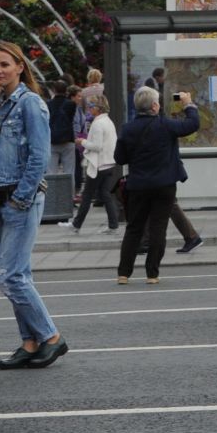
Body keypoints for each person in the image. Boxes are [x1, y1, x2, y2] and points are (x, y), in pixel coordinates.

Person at [0, 42, 66, 369]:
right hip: (4, 195)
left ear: (20, 66)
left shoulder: (30, 103)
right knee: (20, 274)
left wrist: (22, 196)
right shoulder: (2, 103)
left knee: (9, 276)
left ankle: (50, 337)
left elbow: (39, 156)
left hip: (21, 197)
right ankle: (29, 342)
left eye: (5, 64)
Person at [115, 84, 199, 284]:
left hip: (138, 186)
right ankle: (152, 274)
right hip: (164, 185)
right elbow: (192, 124)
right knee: (158, 228)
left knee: (134, 228)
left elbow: (119, 158)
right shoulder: (166, 125)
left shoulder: (128, 129)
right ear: (154, 106)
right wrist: (188, 105)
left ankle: (124, 273)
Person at [72, 97, 122, 233]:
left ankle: (76, 224)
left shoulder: (98, 124)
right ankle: (113, 225)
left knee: (87, 195)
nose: (89, 108)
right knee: (105, 194)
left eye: (91, 106)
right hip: (109, 163)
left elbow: (97, 146)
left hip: (98, 164)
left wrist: (82, 141)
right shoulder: (108, 121)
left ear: (98, 108)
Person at [47, 80, 78, 178]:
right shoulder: (71, 104)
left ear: (54, 90)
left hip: (52, 141)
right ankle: (69, 193)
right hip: (68, 140)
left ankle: (51, 193)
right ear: (66, 91)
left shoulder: (48, 104)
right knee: (69, 172)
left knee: (51, 172)